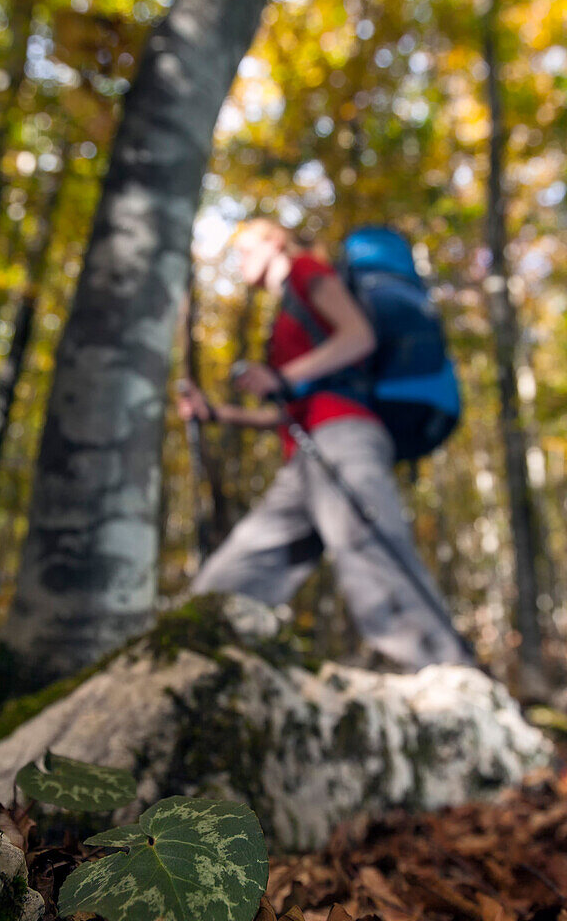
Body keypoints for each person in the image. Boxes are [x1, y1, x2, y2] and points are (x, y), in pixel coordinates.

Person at [179, 218, 469, 670]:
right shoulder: (284, 316)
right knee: (233, 578)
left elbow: (359, 336)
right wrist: (217, 414)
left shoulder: (306, 272)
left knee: (370, 552)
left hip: (345, 436)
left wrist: (282, 376)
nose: (239, 261)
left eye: (245, 248)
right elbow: (286, 410)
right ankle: (186, 656)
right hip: (306, 456)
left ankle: (450, 679)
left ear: (274, 242)